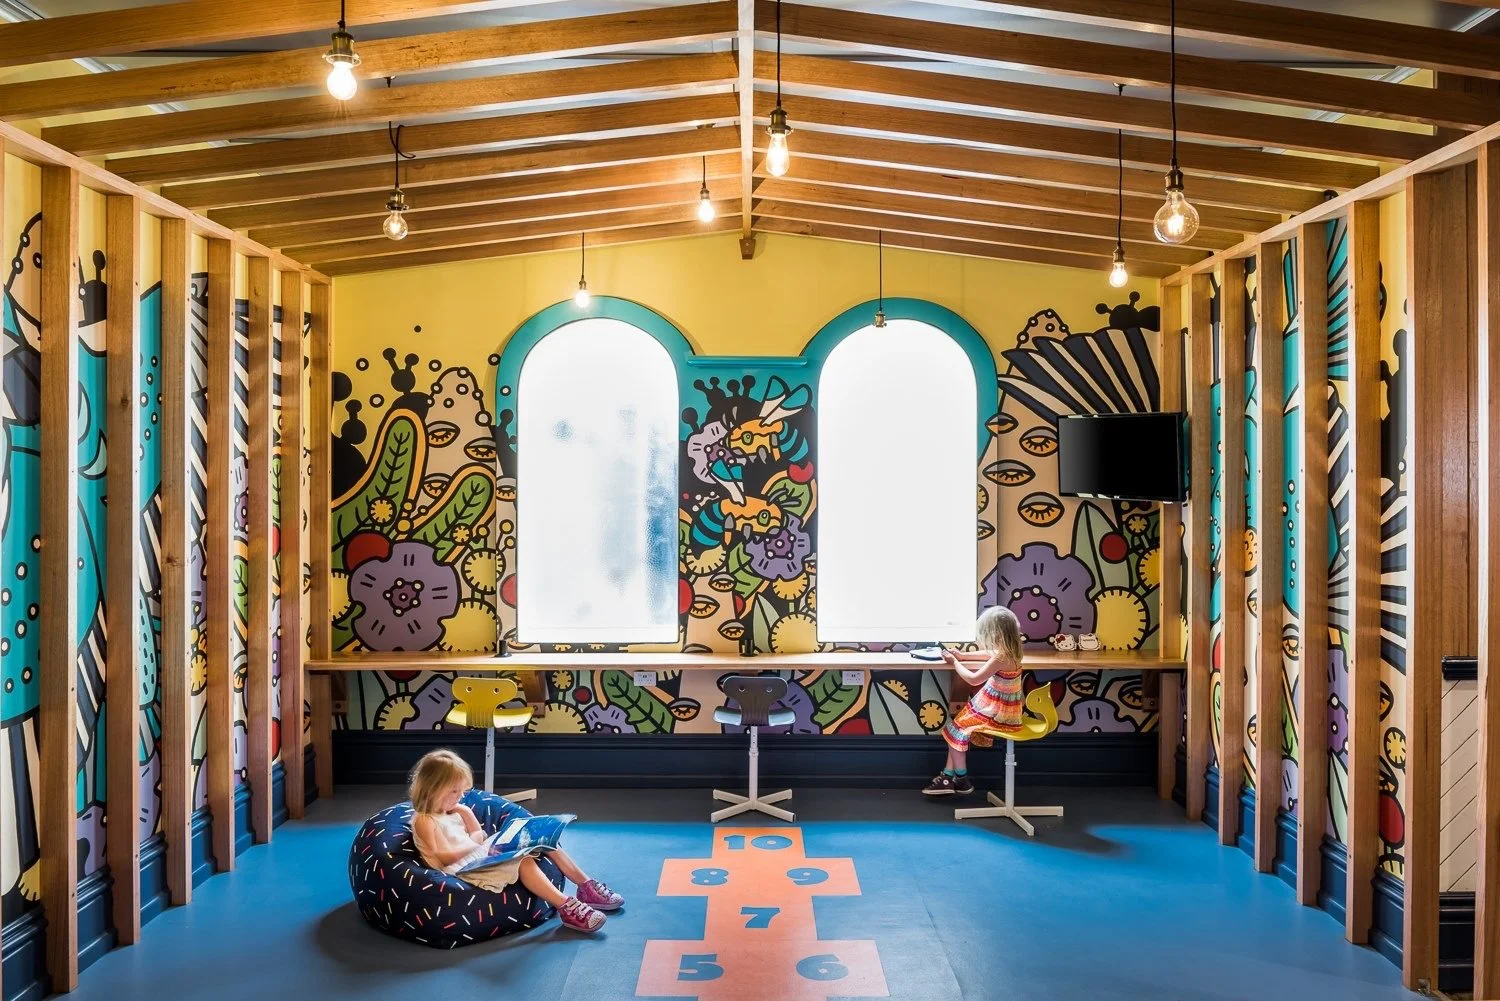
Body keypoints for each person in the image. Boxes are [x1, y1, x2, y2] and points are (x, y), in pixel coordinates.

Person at [408, 749, 623, 932]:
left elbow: (479, 835)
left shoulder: (455, 810)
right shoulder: (425, 820)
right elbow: (443, 857)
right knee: (523, 861)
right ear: (433, 788)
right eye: (454, 791)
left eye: (462, 791)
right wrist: (477, 846)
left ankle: (585, 885)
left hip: (476, 854)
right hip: (461, 868)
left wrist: (468, 817)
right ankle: (565, 906)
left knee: (543, 839)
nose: (460, 796)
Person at [923, 606, 1026, 797]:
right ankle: (947, 777)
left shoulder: (1002, 657)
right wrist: (962, 656)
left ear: (996, 633)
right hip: (1002, 706)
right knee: (957, 727)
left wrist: (955, 663)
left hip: (997, 712)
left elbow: (973, 679)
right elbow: (989, 653)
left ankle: (961, 780)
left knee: (954, 730)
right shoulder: (1012, 649)